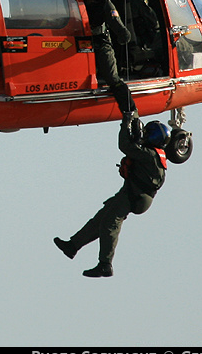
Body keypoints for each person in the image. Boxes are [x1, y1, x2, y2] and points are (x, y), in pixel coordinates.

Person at [53, 118, 170, 277]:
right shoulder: (156, 154)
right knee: (101, 219)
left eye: (147, 133)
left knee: (110, 223)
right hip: (133, 193)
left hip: (134, 196)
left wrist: (126, 123)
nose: (144, 135)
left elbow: (125, 146)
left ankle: (105, 265)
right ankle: (73, 246)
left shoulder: (149, 155)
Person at [80, 0, 136, 119]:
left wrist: (123, 34)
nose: (93, 0)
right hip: (75, 39)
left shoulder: (105, 4)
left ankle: (130, 111)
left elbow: (115, 22)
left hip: (99, 40)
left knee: (113, 78)